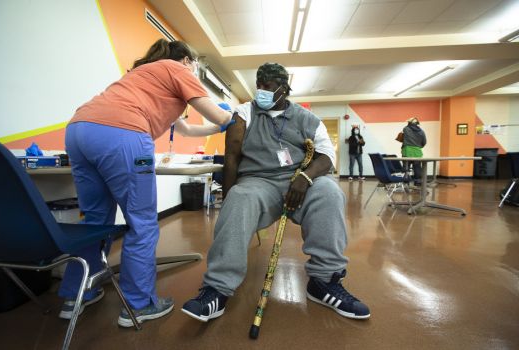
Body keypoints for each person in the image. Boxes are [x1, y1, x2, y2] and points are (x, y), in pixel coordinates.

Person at [58, 38, 233, 327]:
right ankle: (138, 305)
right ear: (187, 61)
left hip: (78, 130)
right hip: (122, 133)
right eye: (194, 65)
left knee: (94, 219)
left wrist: (218, 125)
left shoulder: (142, 76)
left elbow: (186, 128)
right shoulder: (176, 69)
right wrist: (231, 118)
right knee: (142, 222)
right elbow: (214, 111)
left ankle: (78, 294)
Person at [181, 62, 370, 322]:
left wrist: (305, 177)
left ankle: (324, 281)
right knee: (239, 197)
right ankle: (217, 288)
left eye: (267, 86)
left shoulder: (307, 119)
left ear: (284, 89)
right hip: (258, 182)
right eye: (258, 85)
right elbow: (233, 157)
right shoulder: (244, 113)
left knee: (329, 192)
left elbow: (327, 156)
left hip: (300, 179)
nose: (261, 91)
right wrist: (228, 198)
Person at [401, 117, 427, 186]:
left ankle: (406, 181)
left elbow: (403, 134)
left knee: (406, 166)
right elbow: (424, 142)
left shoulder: (406, 129)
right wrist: (418, 146)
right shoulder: (422, 131)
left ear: (409, 123)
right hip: (417, 151)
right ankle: (417, 181)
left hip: (407, 151)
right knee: (417, 167)